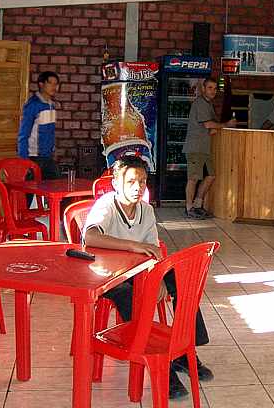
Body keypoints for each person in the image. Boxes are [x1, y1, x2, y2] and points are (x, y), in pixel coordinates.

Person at [82, 155, 213, 399]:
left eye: (142, 182)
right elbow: (90, 238)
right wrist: (132, 245)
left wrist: (160, 276)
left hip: (136, 270)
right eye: (131, 181)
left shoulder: (146, 210)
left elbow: (153, 249)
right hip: (106, 277)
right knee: (130, 296)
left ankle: (184, 352)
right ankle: (162, 368)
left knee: (181, 279)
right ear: (116, 184)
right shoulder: (106, 205)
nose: (137, 188)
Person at [183, 77, 236, 219]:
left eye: (215, 88)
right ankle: (189, 208)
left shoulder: (209, 104)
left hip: (205, 148)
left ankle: (198, 205)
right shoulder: (200, 103)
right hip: (195, 147)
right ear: (203, 89)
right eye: (210, 88)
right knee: (193, 178)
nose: (213, 91)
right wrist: (227, 125)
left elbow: (211, 128)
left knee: (211, 176)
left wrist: (217, 127)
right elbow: (208, 125)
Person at [18, 71, 60, 179]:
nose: (54, 87)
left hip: (48, 157)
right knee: (31, 193)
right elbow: (23, 135)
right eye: (50, 83)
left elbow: (50, 132)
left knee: (54, 190)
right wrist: (24, 161)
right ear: (41, 84)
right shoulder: (33, 105)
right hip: (34, 157)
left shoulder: (51, 105)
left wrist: (53, 151)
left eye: (56, 84)